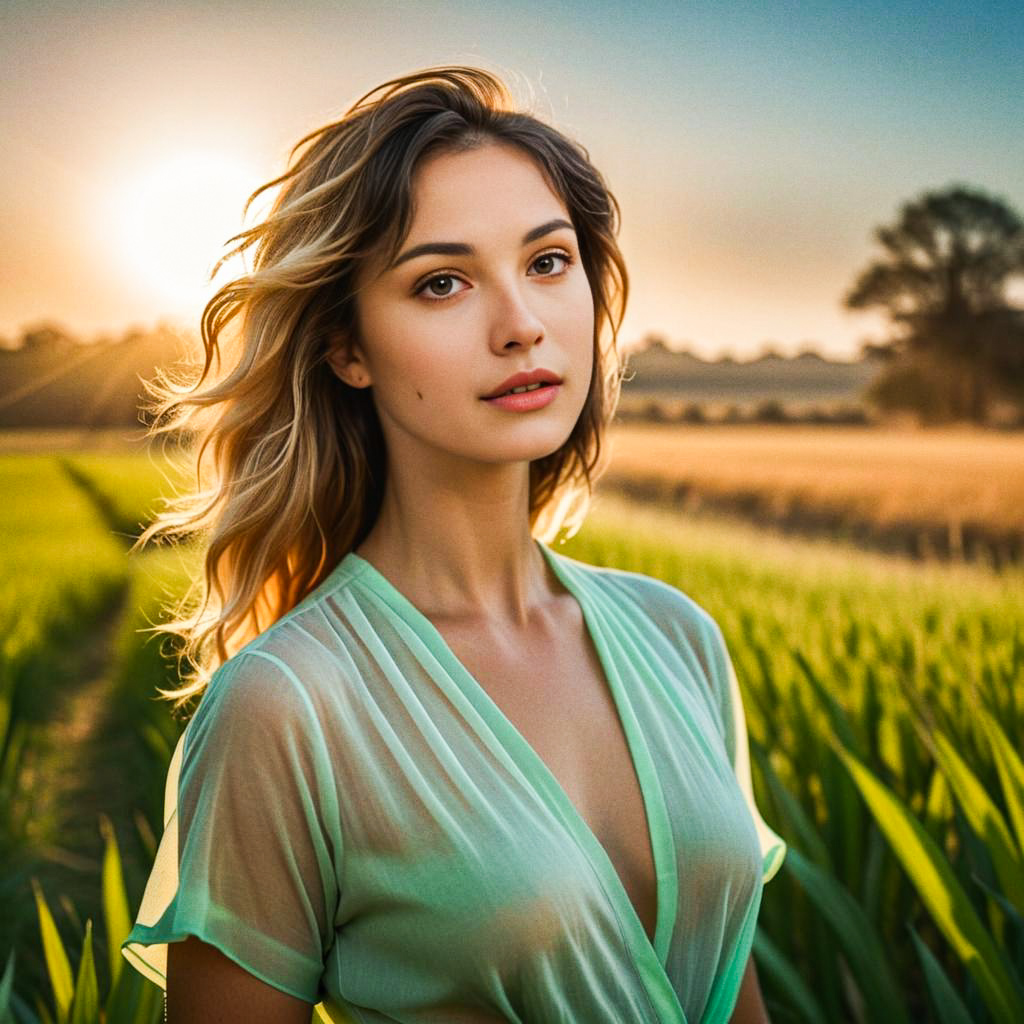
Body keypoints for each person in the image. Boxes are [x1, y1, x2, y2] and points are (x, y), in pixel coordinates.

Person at [120, 65, 786, 1024]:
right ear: (348, 348)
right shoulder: (284, 709)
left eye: (548, 262)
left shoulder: (678, 637)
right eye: (442, 283)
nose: (521, 326)